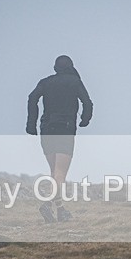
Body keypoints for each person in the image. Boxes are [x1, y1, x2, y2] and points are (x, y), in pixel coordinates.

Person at [26, 55, 93, 223]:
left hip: (46, 129)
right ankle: (48, 204)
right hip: (65, 128)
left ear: (55, 68)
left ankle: (61, 210)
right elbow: (88, 102)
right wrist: (85, 120)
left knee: (55, 172)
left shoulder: (46, 82)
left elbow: (32, 98)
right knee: (60, 173)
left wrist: (31, 124)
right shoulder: (75, 81)